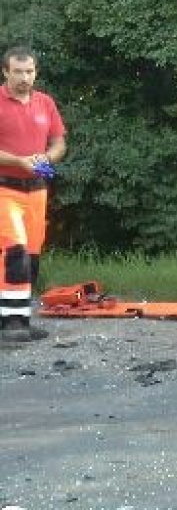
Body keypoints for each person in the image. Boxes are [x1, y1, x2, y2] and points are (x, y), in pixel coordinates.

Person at [0, 47, 66, 343]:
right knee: (15, 252)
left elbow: (59, 142)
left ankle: (20, 318)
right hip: (4, 186)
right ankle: (13, 325)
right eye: (18, 71)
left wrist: (47, 158)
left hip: (37, 188)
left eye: (29, 72)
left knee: (32, 257)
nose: (25, 78)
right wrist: (19, 161)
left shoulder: (45, 103)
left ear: (36, 72)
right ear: (6, 72)